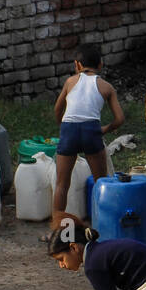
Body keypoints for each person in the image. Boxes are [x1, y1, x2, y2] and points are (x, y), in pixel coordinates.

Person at [52, 43, 125, 217]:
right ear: (100, 65)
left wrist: (63, 127)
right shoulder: (107, 87)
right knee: (101, 182)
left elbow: (57, 109)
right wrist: (104, 129)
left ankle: (56, 229)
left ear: (77, 65)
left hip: (69, 129)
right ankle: (103, 224)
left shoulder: (70, 81)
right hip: (91, 130)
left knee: (62, 184)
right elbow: (120, 119)